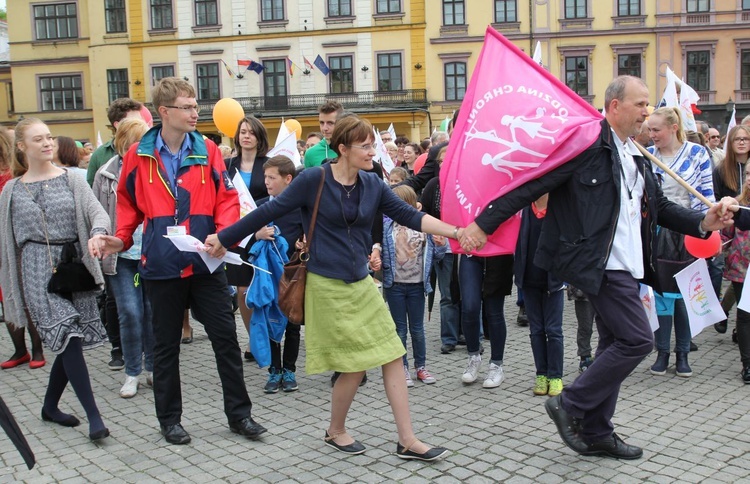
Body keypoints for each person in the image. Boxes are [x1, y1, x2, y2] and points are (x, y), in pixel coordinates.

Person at [459, 75, 736, 459]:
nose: (646, 111)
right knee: (637, 340)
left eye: (648, 105)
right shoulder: (585, 146)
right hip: (599, 264)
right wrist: (482, 223)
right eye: (639, 104)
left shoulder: (638, 155)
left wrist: (704, 222)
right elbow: (530, 184)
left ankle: (597, 431)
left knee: (613, 342)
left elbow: (661, 209)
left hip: (630, 264)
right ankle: (570, 403)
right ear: (613, 106)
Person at [206, 114, 456, 461]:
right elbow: (269, 211)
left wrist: (455, 232)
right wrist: (223, 237)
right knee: (354, 364)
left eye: (373, 144)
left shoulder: (372, 183)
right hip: (326, 284)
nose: (373, 151)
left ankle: (407, 439)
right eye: (365, 145)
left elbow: (409, 215)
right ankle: (336, 430)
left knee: (393, 353)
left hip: (361, 283)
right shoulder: (314, 179)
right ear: (343, 148)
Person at [88, 77, 266, 445]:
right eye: (187, 106)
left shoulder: (209, 149)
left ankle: (240, 415)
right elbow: (128, 207)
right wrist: (119, 240)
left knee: (225, 340)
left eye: (196, 104)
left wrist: (224, 234)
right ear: (164, 112)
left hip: (205, 263)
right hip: (161, 266)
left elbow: (227, 199)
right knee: (165, 346)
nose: (194, 112)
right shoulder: (139, 154)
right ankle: (170, 421)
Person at [0, 118, 111, 441]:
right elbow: (5, 241)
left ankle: (49, 406)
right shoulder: (10, 191)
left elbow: (97, 213)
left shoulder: (72, 180)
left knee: (68, 341)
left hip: (73, 267)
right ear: (22, 147)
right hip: (35, 270)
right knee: (68, 334)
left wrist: (97, 234)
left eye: (50, 137)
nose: (48, 143)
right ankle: (95, 418)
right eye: (39, 139)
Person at [647, 107, 715, 378]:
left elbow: (706, 194)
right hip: (658, 233)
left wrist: (706, 234)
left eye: (656, 130)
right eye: (649, 130)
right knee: (662, 296)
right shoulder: (647, 156)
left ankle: (683, 354)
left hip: (689, 232)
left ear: (673, 127)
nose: (651, 135)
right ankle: (662, 353)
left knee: (686, 296)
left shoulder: (698, 154)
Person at [92, 117, 154, 398]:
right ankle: (132, 372)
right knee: (130, 312)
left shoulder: (154, 167)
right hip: (122, 257)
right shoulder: (105, 173)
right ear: (123, 142)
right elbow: (98, 212)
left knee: (152, 312)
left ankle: (152, 366)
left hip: (150, 254)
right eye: (133, 143)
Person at [248, 155, 303, 394]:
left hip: (292, 276)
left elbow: (309, 233)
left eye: (272, 177)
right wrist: (257, 235)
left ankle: (289, 369)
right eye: (265, 177)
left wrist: (304, 243)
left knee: (292, 322)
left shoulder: (300, 207)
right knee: (268, 319)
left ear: (288, 179)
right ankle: (274, 370)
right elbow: (242, 238)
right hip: (266, 275)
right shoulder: (260, 206)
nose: (267, 182)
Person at [382, 185, 443, 387]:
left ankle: (421, 366)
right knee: (399, 330)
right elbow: (379, 253)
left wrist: (441, 244)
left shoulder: (423, 228)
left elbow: (438, 256)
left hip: (417, 286)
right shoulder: (387, 228)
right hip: (395, 285)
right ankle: (403, 368)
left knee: (417, 329)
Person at [224, 116, 271, 360]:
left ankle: (271, 336)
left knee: (266, 287)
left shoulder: (269, 164)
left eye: (251, 132)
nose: (246, 136)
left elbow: (278, 197)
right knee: (242, 289)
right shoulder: (227, 165)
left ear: (259, 137)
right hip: (238, 237)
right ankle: (253, 339)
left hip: (264, 235)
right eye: (242, 131)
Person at [0, 126, 46, 370]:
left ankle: (37, 348)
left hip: (20, 246)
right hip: (3, 245)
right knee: (6, 298)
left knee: (26, 298)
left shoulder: (13, 178)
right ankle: (20, 350)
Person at [515, 193, 565, 396]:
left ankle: (555, 376)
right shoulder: (524, 209)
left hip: (553, 279)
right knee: (536, 330)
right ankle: (541, 374)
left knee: (553, 330)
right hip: (529, 279)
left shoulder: (559, 209)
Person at [420, 146, 461, 355]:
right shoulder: (433, 185)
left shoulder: (465, 183)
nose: (445, 164)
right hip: (442, 248)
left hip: (465, 247)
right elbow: (424, 213)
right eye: (441, 161)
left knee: (467, 294)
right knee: (447, 295)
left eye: (448, 159)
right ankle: (449, 337)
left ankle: (470, 333)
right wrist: (433, 233)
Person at [713, 124, 750, 338]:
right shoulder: (721, 169)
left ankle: (732, 318)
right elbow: (715, 197)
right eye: (738, 139)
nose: (742, 142)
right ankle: (733, 318)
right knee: (737, 278)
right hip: (733, 232)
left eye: (746, 138)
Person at [721, 168, 750, 384]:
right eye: (748, 174)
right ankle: (748, 365)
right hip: (741, 267)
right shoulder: (737, 204)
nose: (749, 178)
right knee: (745, 315)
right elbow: (727, 232)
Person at [87, 98, 144, 186]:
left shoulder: (149, 149)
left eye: (141, 120)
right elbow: (91, 191)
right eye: (134, 121)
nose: (141, 124)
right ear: (117, 125)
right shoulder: (100, 154)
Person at [304, 101, 344, 168]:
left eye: (330, 123)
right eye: (322, 123)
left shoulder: (351, 149)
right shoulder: (310, 153)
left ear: (341, 122)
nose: (324, 128)